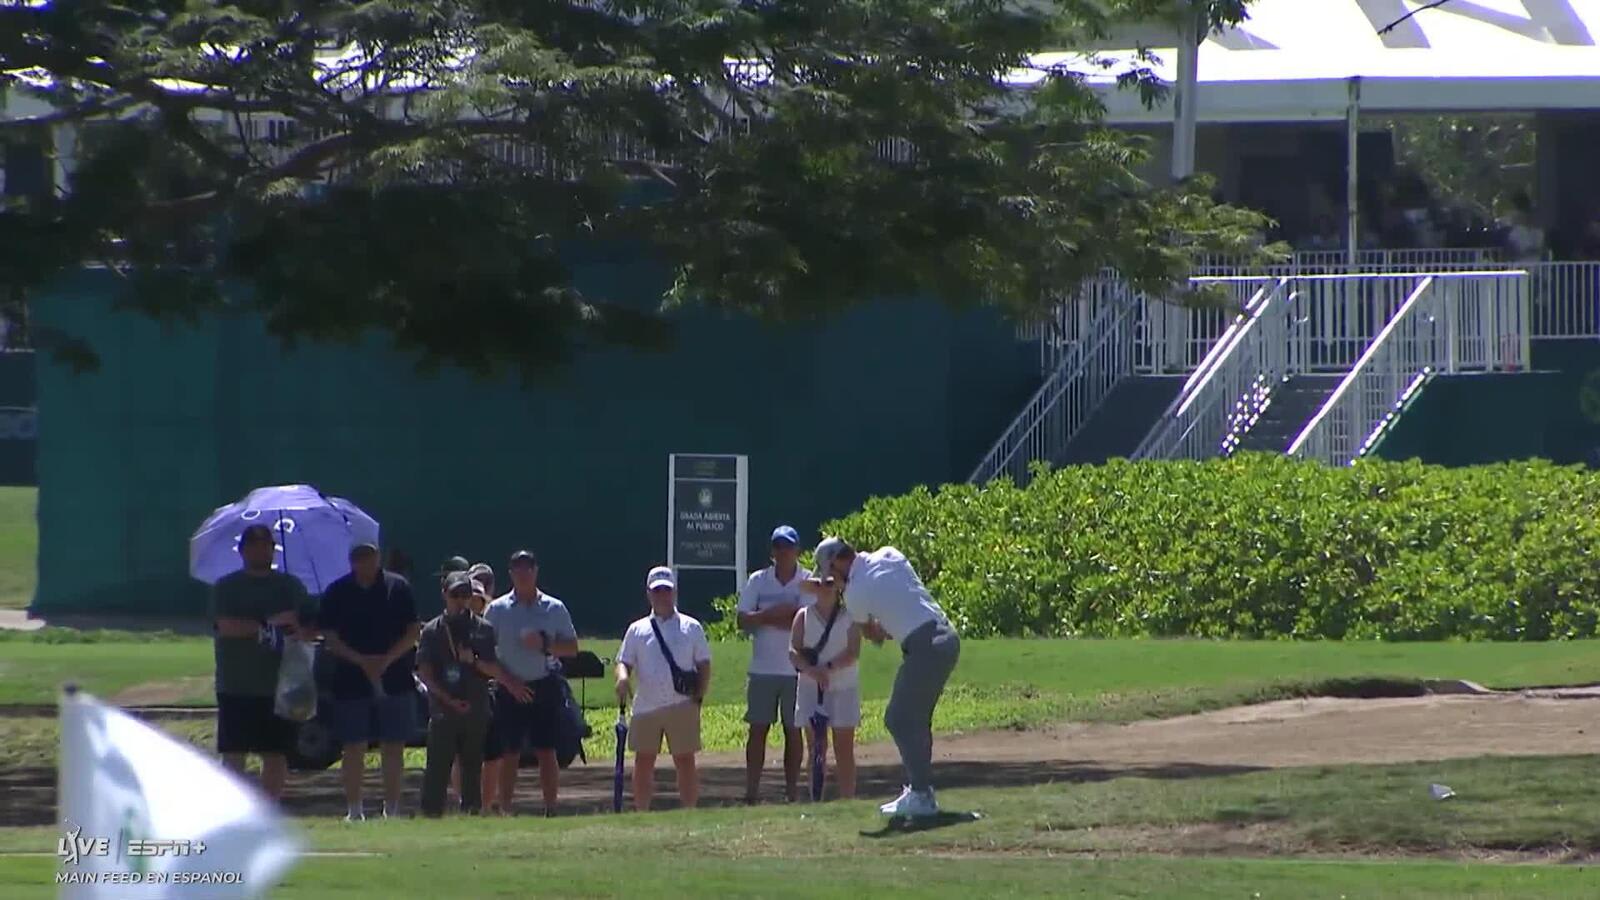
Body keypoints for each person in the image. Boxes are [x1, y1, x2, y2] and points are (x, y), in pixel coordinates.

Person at [804, 538, 959, 818]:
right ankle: (920, 791)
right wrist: (894, 621)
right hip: (946, 637)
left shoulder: (854, 594)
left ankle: (922, 795)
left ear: (839, 562)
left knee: (898, 719)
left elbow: (873, 635)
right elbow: (905, 595)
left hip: (925, 647)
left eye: (830, 573)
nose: (831, 580)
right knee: (915, 720)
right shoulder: (890, 553)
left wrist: (883, 628)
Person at [318, 542, 422, 821]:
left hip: (396, 676)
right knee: (353, 745)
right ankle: (354, 810)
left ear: (378, 558)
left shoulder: (397, 588)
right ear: (351, 561)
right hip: (350, 678)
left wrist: (385, 660)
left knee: (394, 744)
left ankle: (392, 808)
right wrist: (362, 661)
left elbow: (413, 631)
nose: (363, 563)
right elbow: (329, 636)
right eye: (358, 558)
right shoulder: (338, 591)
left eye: (368, 557)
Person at [210, 524, 309, 801]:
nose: (260, 550)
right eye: (253, 545)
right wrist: (268, 624)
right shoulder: (227, 587)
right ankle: (233, 809)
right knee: (234, 752)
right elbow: (226, 626)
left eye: (265, 545)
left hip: (280, 682)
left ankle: (269, 811)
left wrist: (298, 628)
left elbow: (311, 627)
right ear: (242, 551)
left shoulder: (290, 586)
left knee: (275, 752)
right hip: (236, 682)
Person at [416, 573, 528, 817]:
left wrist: (474, 661)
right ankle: (431, 814)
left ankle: (472, 812)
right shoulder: (433, 631)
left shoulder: (482, 629)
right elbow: (424, 673)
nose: (460, 601)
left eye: (465, 595)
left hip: (475, 706)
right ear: (444, 594)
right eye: (455, 595)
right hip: (444, 709)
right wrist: (448, 700)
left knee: (472, 765)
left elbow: (494, 668)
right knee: (437, 765)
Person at [484, 550, 579, 817]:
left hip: (543, 684)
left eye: (528, 568)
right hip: (509, 686)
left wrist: (546, 644)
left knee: (547, 750)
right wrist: (509, 682)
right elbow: (485, 654)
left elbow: (572, 647)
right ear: (511, 574)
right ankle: (505, 809)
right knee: (509, 751)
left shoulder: (554, 608)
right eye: (517, 569)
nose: (523, 574)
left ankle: (551, 807)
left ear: (536, 571)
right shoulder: (497, 609)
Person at [615, 566, 712, 812]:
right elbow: (623, 661)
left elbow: (703, 664)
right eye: (657, 591)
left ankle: (689, 808)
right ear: (649, 594)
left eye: (666, 591)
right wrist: (623, 678)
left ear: (675, 593)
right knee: (644, 761)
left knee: (685, 760)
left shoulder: (691, 627)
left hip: (681, 704)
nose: (662, 596)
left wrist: (699, 695)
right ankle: (642, 810)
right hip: (646, 704)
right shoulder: (637, 629)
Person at [734, 525, 812, 803]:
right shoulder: (758, 580)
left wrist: (764, 617)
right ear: (772, 551)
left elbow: (803, 620)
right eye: (778, 547)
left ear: (797, 550)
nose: (783, 552)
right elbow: (742, 620)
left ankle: (791, 792)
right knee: (758, 729)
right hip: (762, 669)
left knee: (794, 730)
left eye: (788, 547)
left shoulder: (807, 580)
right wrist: (774, 614)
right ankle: (751, 792)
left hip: (796, 669)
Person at [789, 577, 862, 801]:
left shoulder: (850, 617)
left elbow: (852, 652)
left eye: (830, 584)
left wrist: (827, 668)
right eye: (820, 584)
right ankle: (816, 798)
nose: (825, 589)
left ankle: (847, 798)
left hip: (843, 686)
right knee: (816, 748)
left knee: (844, 748)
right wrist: (813, 671)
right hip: (812, 689)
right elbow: (793, 651)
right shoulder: (803, 616)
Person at [458, 563, 503, 813]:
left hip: (486, 693)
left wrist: (474, 661)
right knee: (460, 756)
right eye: (468, 596)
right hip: (458, 695)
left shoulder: (489, 627)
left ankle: (485, 806)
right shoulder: (450, 624)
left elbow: (496, 666)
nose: (473, 601)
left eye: (478, 597)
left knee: (493, 755)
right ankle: (465, 805)